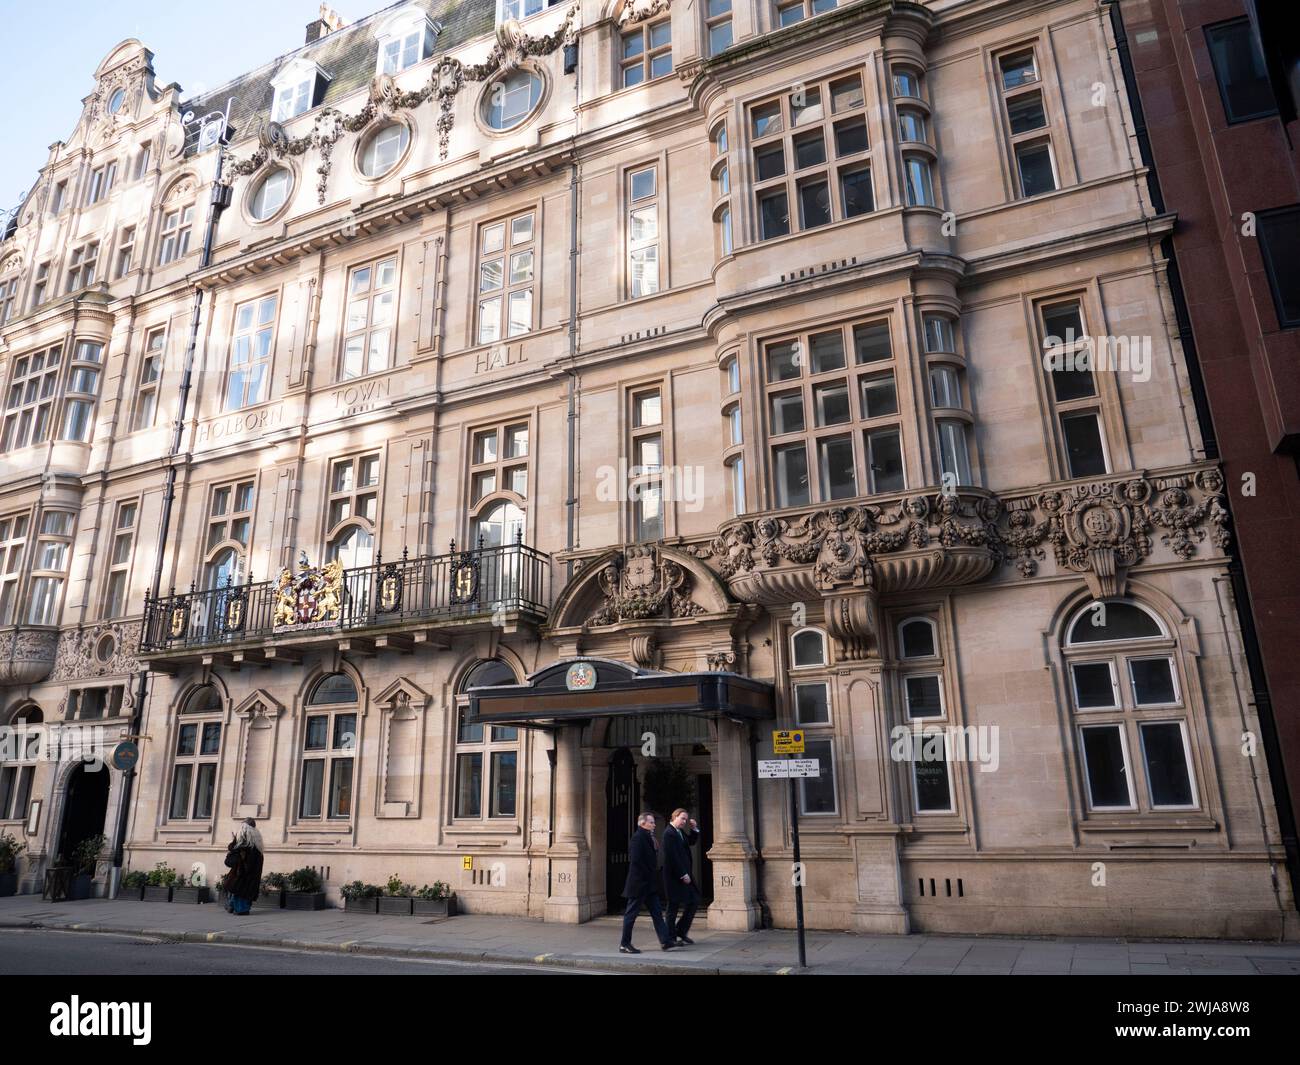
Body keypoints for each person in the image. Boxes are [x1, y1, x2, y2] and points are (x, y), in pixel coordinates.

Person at [619, 812, 674, 954]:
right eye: (651, 822)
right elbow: (635, 860)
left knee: (657, 913)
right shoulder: (638, 838)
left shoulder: (648, 837)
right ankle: (624, 944)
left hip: (648, 884)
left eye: (653, 822)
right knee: (630, 915)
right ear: (642, 823)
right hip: (639, 884)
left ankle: (665, 941)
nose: (654, 825)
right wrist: (648, 875)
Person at [662, 808, 701, 945]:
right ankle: (671, 938)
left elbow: (690, 842)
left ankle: (681, 931)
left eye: (686, 819)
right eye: (682, 818)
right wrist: (683, 874)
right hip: (675, 877)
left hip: (685, 874)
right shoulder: (669, 833)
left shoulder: (679, 832)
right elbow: (673, 857)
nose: (684, 821)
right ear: (675, 817)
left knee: (694, 900)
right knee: (672, 906)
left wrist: (694, 829)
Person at [223, 818, 264, 916]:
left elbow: (230, 861)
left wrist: (234, 843)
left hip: (242, 880)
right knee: (239, 891)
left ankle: (235, 906)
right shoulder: (257, 850)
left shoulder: (244, 849)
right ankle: (233, 905)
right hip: (247, 882)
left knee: (237, 890)